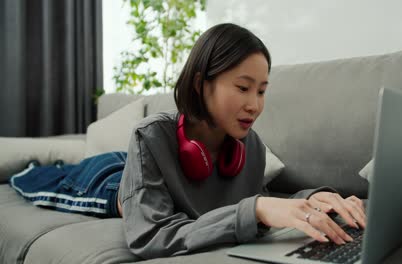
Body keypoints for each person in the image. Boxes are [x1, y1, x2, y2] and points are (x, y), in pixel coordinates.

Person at [9, 23, 366, 259]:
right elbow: (150, 235)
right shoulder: (150, 134)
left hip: (139, 168)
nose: (254, 105)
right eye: (242, 88)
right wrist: (254, 209)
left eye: (261, 90)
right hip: (106, 182)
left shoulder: (250, 146)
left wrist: (310, 199)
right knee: (35, 176)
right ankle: (43, 165)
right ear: (200, 84)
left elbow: (263, 201)